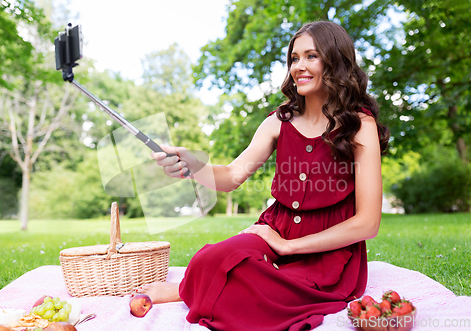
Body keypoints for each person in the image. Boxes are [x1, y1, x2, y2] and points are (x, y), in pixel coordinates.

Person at [139, 20, 390, 330]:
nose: (299, 66)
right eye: (294, 58)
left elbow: (368, 223)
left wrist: (289, 247)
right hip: (274, 229)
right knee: (209, 261)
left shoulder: (360, 126)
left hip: (329, 252)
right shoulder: (279, 120)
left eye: (311, 56)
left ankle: (187, 292)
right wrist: (194, 165)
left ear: (335, 61)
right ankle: (190, 288)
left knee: (256, 294)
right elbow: (231, 175)